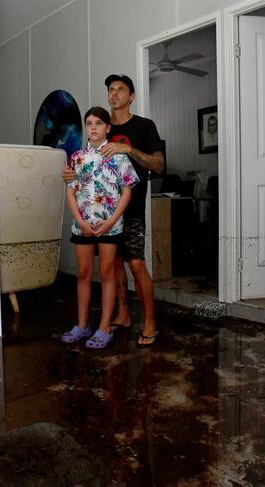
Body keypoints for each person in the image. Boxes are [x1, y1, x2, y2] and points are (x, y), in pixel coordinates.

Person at [62, 74, 164, 348]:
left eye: (121, 89)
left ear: (131, 96)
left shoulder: (144, 126)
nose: (114, 93)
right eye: (110, 89)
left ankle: (150, 322)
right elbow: (80, 177)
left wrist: (127, 148)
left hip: (130, 208)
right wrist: (72, 177)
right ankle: (122, 315)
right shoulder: (90, 143)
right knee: (113, 266)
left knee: (136, 263)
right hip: (98, 213)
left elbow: (158, 165)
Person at [60, 106, 139, 349]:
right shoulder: (77, 158)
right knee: (83, 274)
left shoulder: (118, 157)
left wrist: (112, 220)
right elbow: (71, 192)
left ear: (108, 127)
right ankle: (82, 325)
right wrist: (80, 221)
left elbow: (127, 190)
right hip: (82, 226)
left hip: (110, 227)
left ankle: (105, 328)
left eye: (98, 123)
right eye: (89, 123)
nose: (93, 128)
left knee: (106, 275)